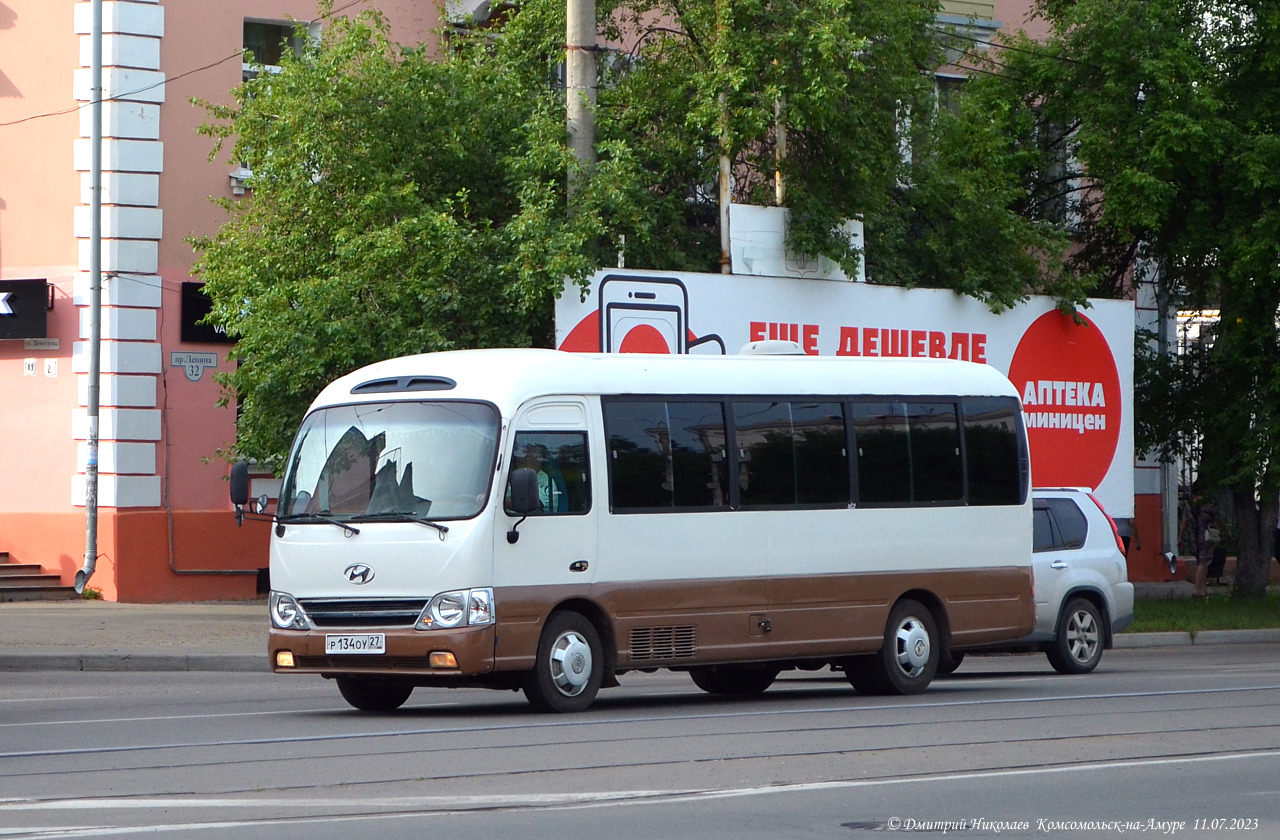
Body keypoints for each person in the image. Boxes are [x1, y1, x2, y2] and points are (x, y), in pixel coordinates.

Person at [1180, 492, 1222, 599]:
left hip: (1194, 537)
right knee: (1203, 563)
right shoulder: (1209, 505)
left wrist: (1180, 537)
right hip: (1206, 537)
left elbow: (1184, 522)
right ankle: (1197, 591)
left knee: (1201, 562)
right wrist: (1226, 533)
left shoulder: (1189, 505)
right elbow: (1219, 520)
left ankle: (1202, 590)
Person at [511, 443, 567, 513]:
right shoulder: (514, 475)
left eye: (526, 456)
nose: (520, 458)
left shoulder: (547, 483)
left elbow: (527, 504)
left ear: (537, 461)